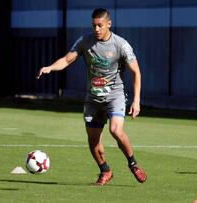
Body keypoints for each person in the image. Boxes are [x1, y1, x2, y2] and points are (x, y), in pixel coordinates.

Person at [37, 8, 146, 186]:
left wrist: (136, 100)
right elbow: (66, 60)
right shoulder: (85, 41)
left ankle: (133, 163)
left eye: (100, 25)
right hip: (93, 99)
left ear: (108, 24)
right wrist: (50, 67)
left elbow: (136, 72)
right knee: (93, 140)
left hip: (115, 96)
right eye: (93, 25)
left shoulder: (121, 45)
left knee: (115, 131)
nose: (96, 29)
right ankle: (105, 170)